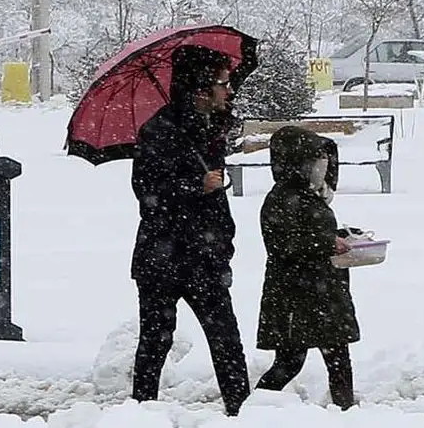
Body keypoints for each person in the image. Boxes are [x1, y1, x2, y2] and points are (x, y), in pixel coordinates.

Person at [130, 44, 250, 416]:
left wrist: (223, 243)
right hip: (164, 257)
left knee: (226, 339)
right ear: (200, 89)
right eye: (222, 84)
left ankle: (243, 411)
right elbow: (147, 192)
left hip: (205, 255)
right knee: (155, 340)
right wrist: (196, 186)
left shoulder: (210, 130)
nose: (228, 91)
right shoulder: (160, 130)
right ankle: (141, 413)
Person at [255, 126, 360, 410]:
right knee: (291, 362)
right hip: (296, 294)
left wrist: (339, 235)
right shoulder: (281, 199)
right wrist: (328, 243)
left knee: (336, 356)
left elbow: (308, 233)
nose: (321, 169)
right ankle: (256, 408)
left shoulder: (309, 196)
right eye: (316, 162)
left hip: (320, 291)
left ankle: (346, 410)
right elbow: (284, 244)